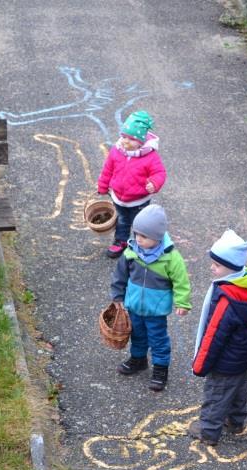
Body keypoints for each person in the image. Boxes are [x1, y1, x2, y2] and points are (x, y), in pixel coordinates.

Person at [189, 230, 247, 445]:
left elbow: (214, 335)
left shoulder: (228, 300)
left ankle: (208, 430)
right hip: (242, 357)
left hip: (224, 361)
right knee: (237, 389)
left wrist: (200, 365)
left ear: (230, 268)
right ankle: (236, 422)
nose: (211, 268)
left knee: (216, 394)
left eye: (216, 265)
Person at [110, 204, 191, 391]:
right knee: (137, 335)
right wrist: (118, 296)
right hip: (134, 305)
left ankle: (161, 368)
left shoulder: (171, 258)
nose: (138, 239)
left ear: (158, 236)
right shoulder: (131, 252)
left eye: (144, 236)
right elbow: (120, 275)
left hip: (156, 309)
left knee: (158, 338)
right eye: (136, 234)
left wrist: (182, 302)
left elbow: (181, 281)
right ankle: (138, 359)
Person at [98, 110, 167, 258]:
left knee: (140, 224)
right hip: (118, 197)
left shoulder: (150, 156)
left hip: (139, 199)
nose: (125, 141)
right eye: (123, 137)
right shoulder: (117, 151)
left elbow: (159, 173)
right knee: (122, 221)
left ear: (141, 141)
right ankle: (120, 241)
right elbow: (108, 169)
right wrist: (103, 185)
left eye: (131, 139)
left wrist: (154, 183)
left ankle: (140, 245)